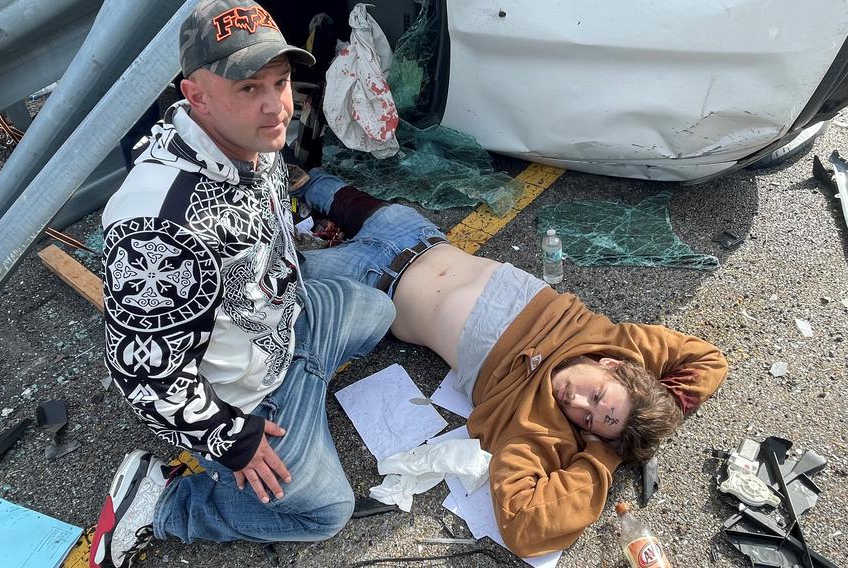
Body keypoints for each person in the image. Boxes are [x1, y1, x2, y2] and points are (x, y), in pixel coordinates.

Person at [90, 2, 395, 567]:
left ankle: (308, 386)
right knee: (325, 512)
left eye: (279, 83)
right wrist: (230, 436)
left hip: (283, 325)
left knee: (379, 311)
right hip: (243, 398)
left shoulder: (254, 140)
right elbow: (142, 373)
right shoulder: (159, 224)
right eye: (249, 87)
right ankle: (164, 502)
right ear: (196, 94)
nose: (275, 106)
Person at [292, 168, 729, 557]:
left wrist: (606, 456)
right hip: (416, 235)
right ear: (614, 368)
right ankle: (303, 187)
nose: (577, 401)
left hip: (366, 282)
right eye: (597, 396)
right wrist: (651, 419)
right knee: (309, 183)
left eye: (590, 420)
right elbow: (709, 360)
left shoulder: (538, 430)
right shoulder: (620, 344)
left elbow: (526, 526)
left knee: (256, 258)